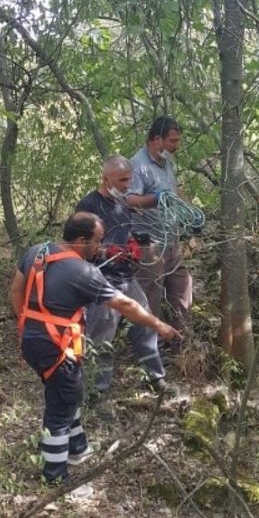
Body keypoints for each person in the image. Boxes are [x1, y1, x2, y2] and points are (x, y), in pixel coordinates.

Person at [10, 212, 180, 491]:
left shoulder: (37, 252)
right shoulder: (84, 272)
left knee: (69, 391)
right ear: (80, 240)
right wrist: (160, 325)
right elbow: (126, 305)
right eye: (97, 241)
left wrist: (27, 326)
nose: (101, 248)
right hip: (57, 347)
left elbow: (16, 290)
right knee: (60, 406)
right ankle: (54, 478)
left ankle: (78, 448)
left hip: (33, 340)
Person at [75, 155, 167, 404]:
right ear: (106, 179)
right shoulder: (89, 205)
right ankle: (97, 392)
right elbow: (78, 245)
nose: (128, 184)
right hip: (100, 281)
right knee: (101, 337)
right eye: (123, 180)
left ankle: (156, 378)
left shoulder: (122, 204)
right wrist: (105, 251)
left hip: (126, 277)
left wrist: (133, 243)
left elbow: (124, 232)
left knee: (145, 323)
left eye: (130, 179)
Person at [126, 116, 192, 336]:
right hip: (149, 245)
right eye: (172, 141)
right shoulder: (138, 165)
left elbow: (175, 192)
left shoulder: (166, 163)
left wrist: (189, 213)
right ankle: (148, 352)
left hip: (171, 239)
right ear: (157, 139)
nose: (177, 146)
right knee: (150, 296)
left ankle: (181, 342)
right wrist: (154, 199)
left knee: (182, 288)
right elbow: (130, 200)